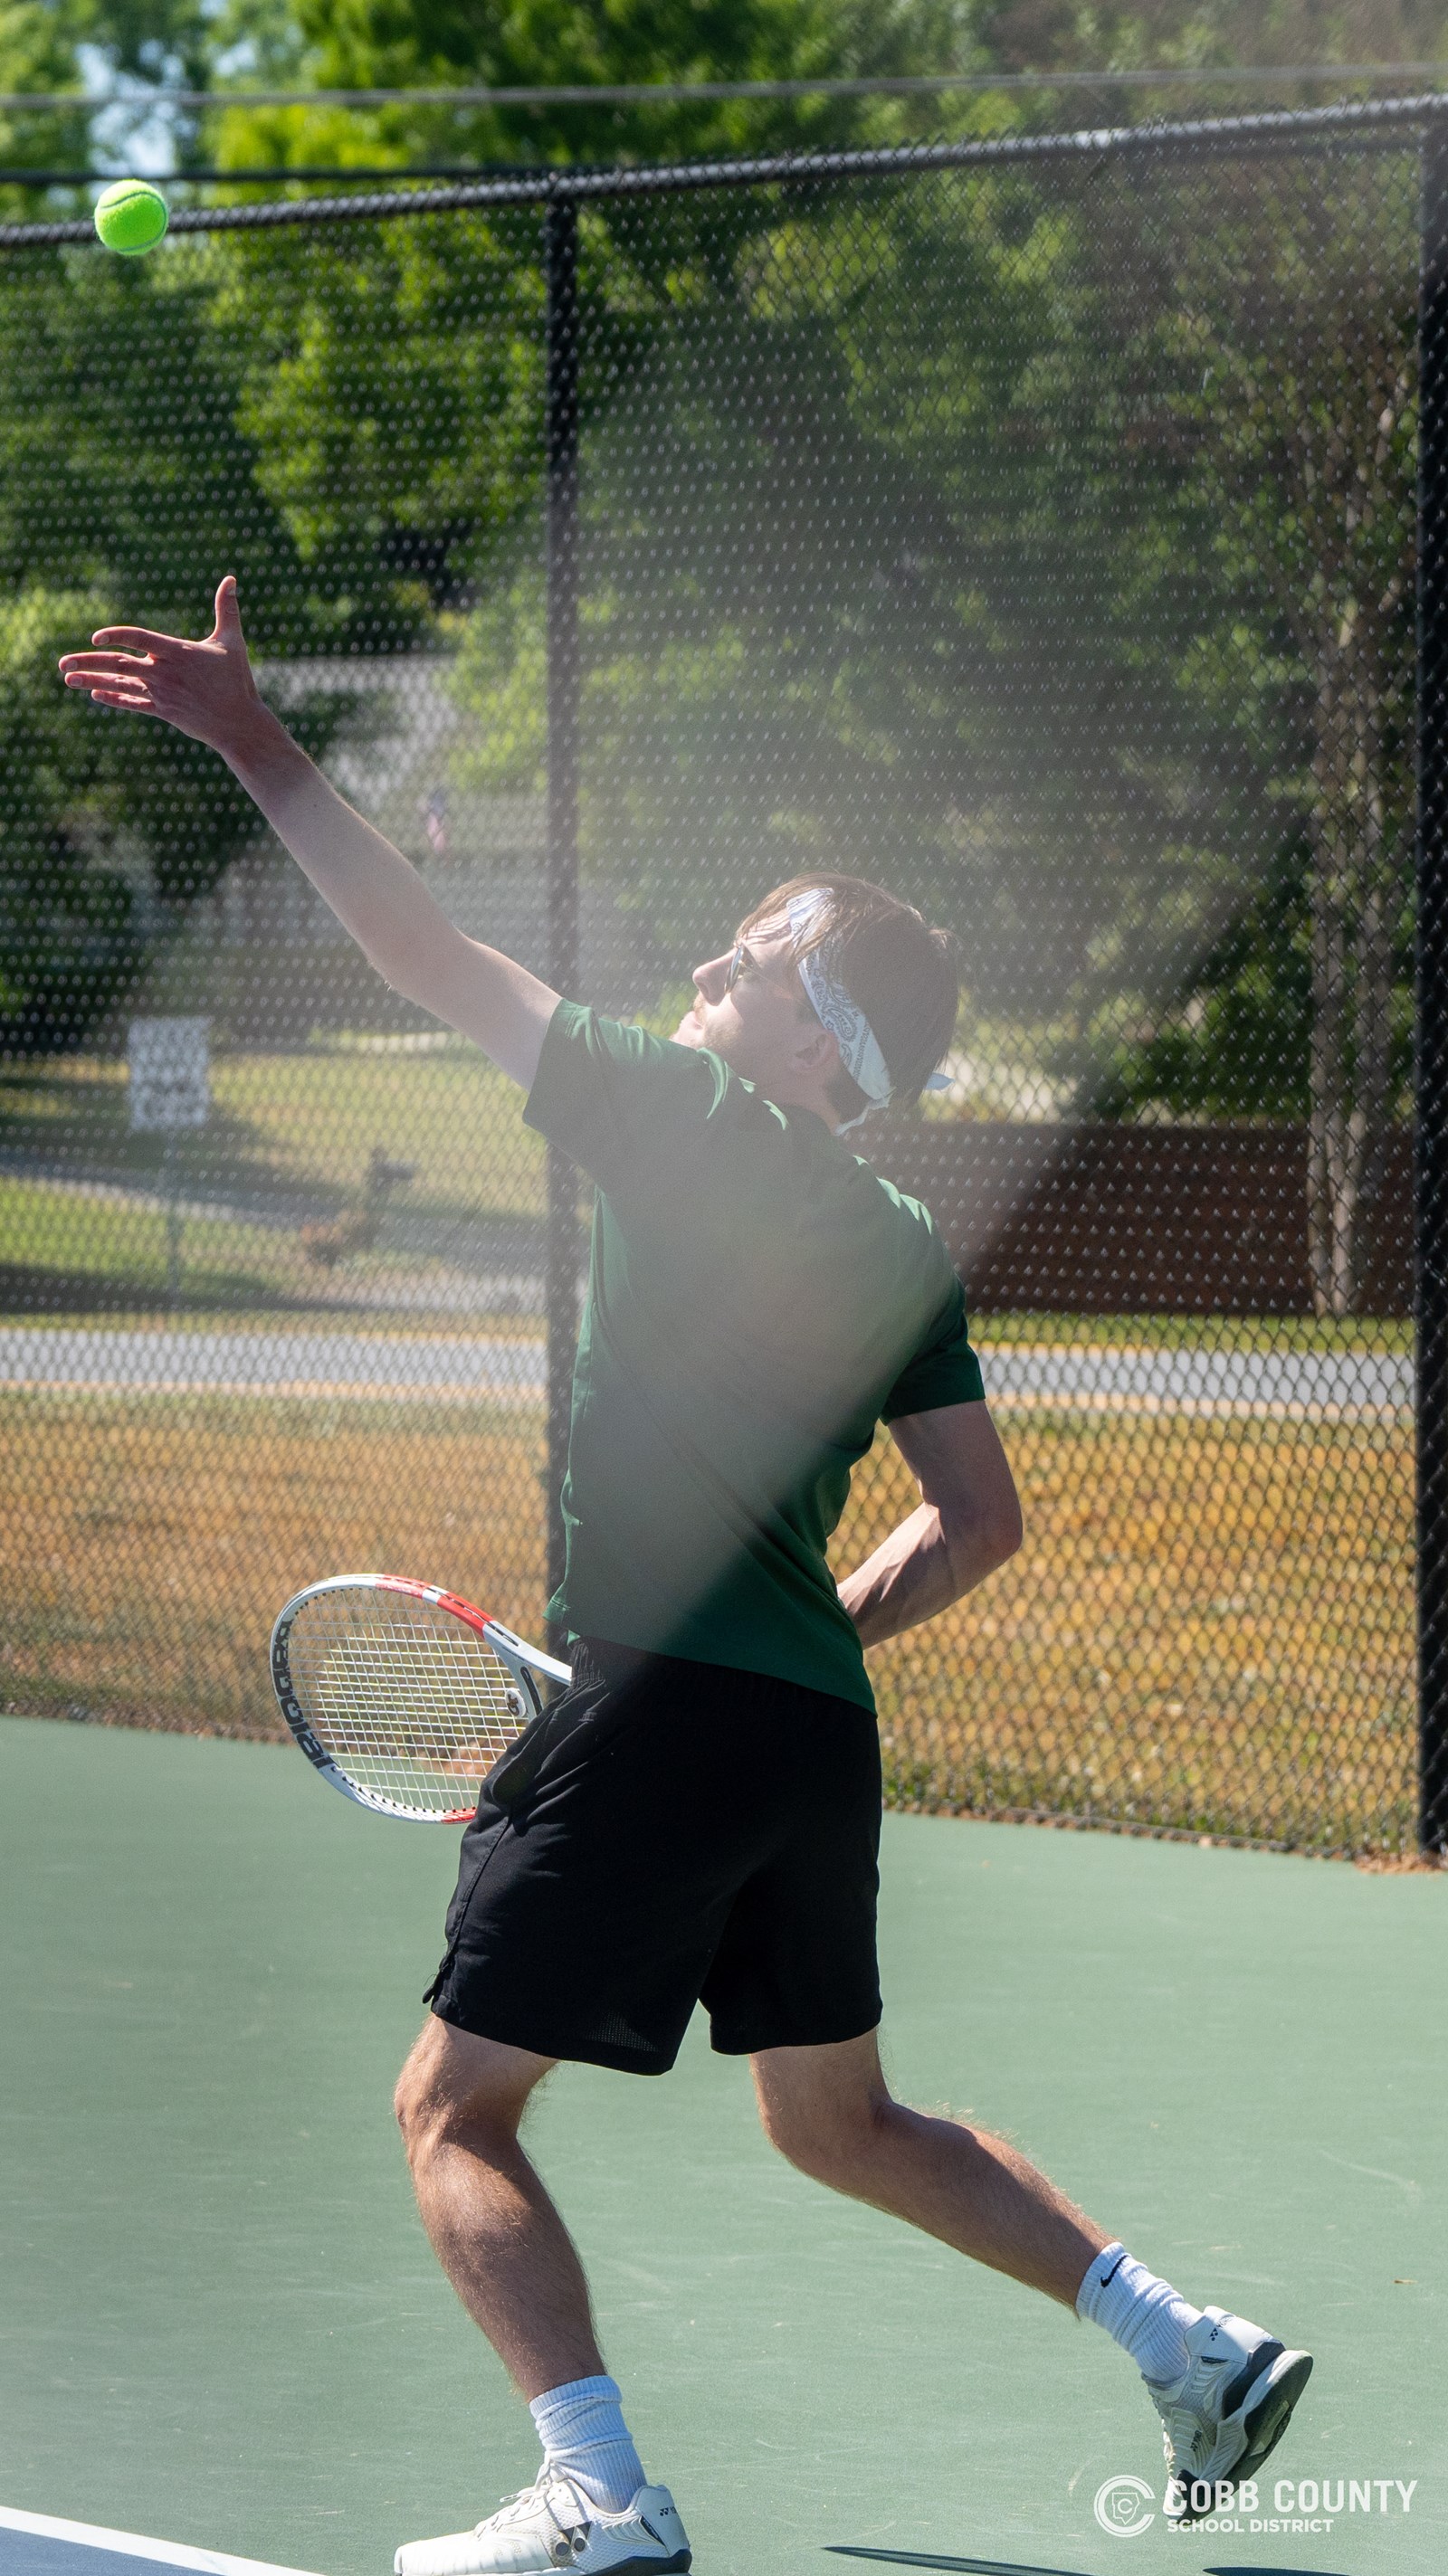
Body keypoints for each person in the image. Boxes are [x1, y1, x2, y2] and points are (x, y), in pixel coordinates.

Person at [61, 581, 1312, 2576]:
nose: (698, 965)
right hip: (808, 1729)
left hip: (656, 1698)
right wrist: (815, 1631)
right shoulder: (902, 1232)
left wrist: (260, 746)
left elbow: (421, 952)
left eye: (731, 953)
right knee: (836, 2120)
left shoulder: (674, 1104)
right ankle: (1190, 2344)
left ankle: (599, 2491)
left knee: (448, 2112)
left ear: (787, 1017)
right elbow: (979, 1520)